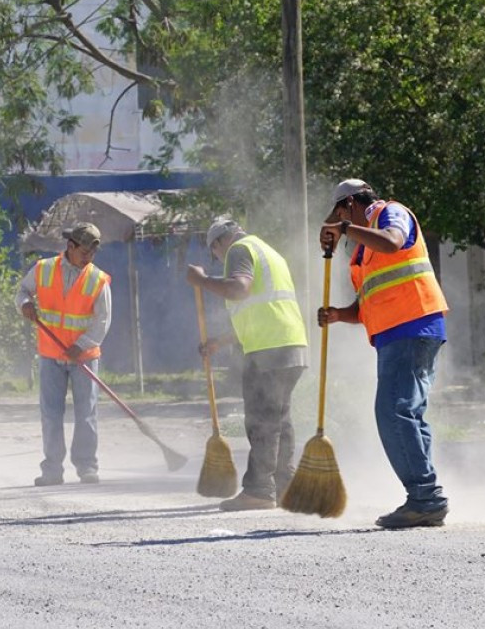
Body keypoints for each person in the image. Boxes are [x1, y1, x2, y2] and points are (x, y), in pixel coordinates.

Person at [318, 178, 451, 528]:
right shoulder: (363, 250)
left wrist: (345, 228)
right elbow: (368, 306)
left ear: (350, 203)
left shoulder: (391, 214)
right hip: (397, 334)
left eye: (339, 213)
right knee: (407, 413)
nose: (336, 222)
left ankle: (425, 497)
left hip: (413, 328)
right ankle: (425, 495)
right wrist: (338, 314)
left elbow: (394, 243)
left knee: (393, 411)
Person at [187, 219, 309, 511]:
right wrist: (222, 342)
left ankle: (258, 490)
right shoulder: (268, 251)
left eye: (215, 253)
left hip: (268, 349)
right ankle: (284, 485)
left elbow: (240, 289)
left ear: (219, 243)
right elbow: (261, 308)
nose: (219, 259)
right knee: (279, 418)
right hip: (290, 343)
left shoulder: (238, 250)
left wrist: (202, 280)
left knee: (261, 419)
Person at [16, 222, 112, 487]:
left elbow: (102, 320)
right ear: (70, 247)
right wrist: (25, 305)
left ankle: (87, 467)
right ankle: (52, 470)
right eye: (84, 253)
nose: (88, 258)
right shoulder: (43, 269)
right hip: (50, 354)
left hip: (84, 357)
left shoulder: (98, 280)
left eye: (92, 253)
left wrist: (81, 345)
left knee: (86, 413)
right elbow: (22, 292)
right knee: (51, 413)